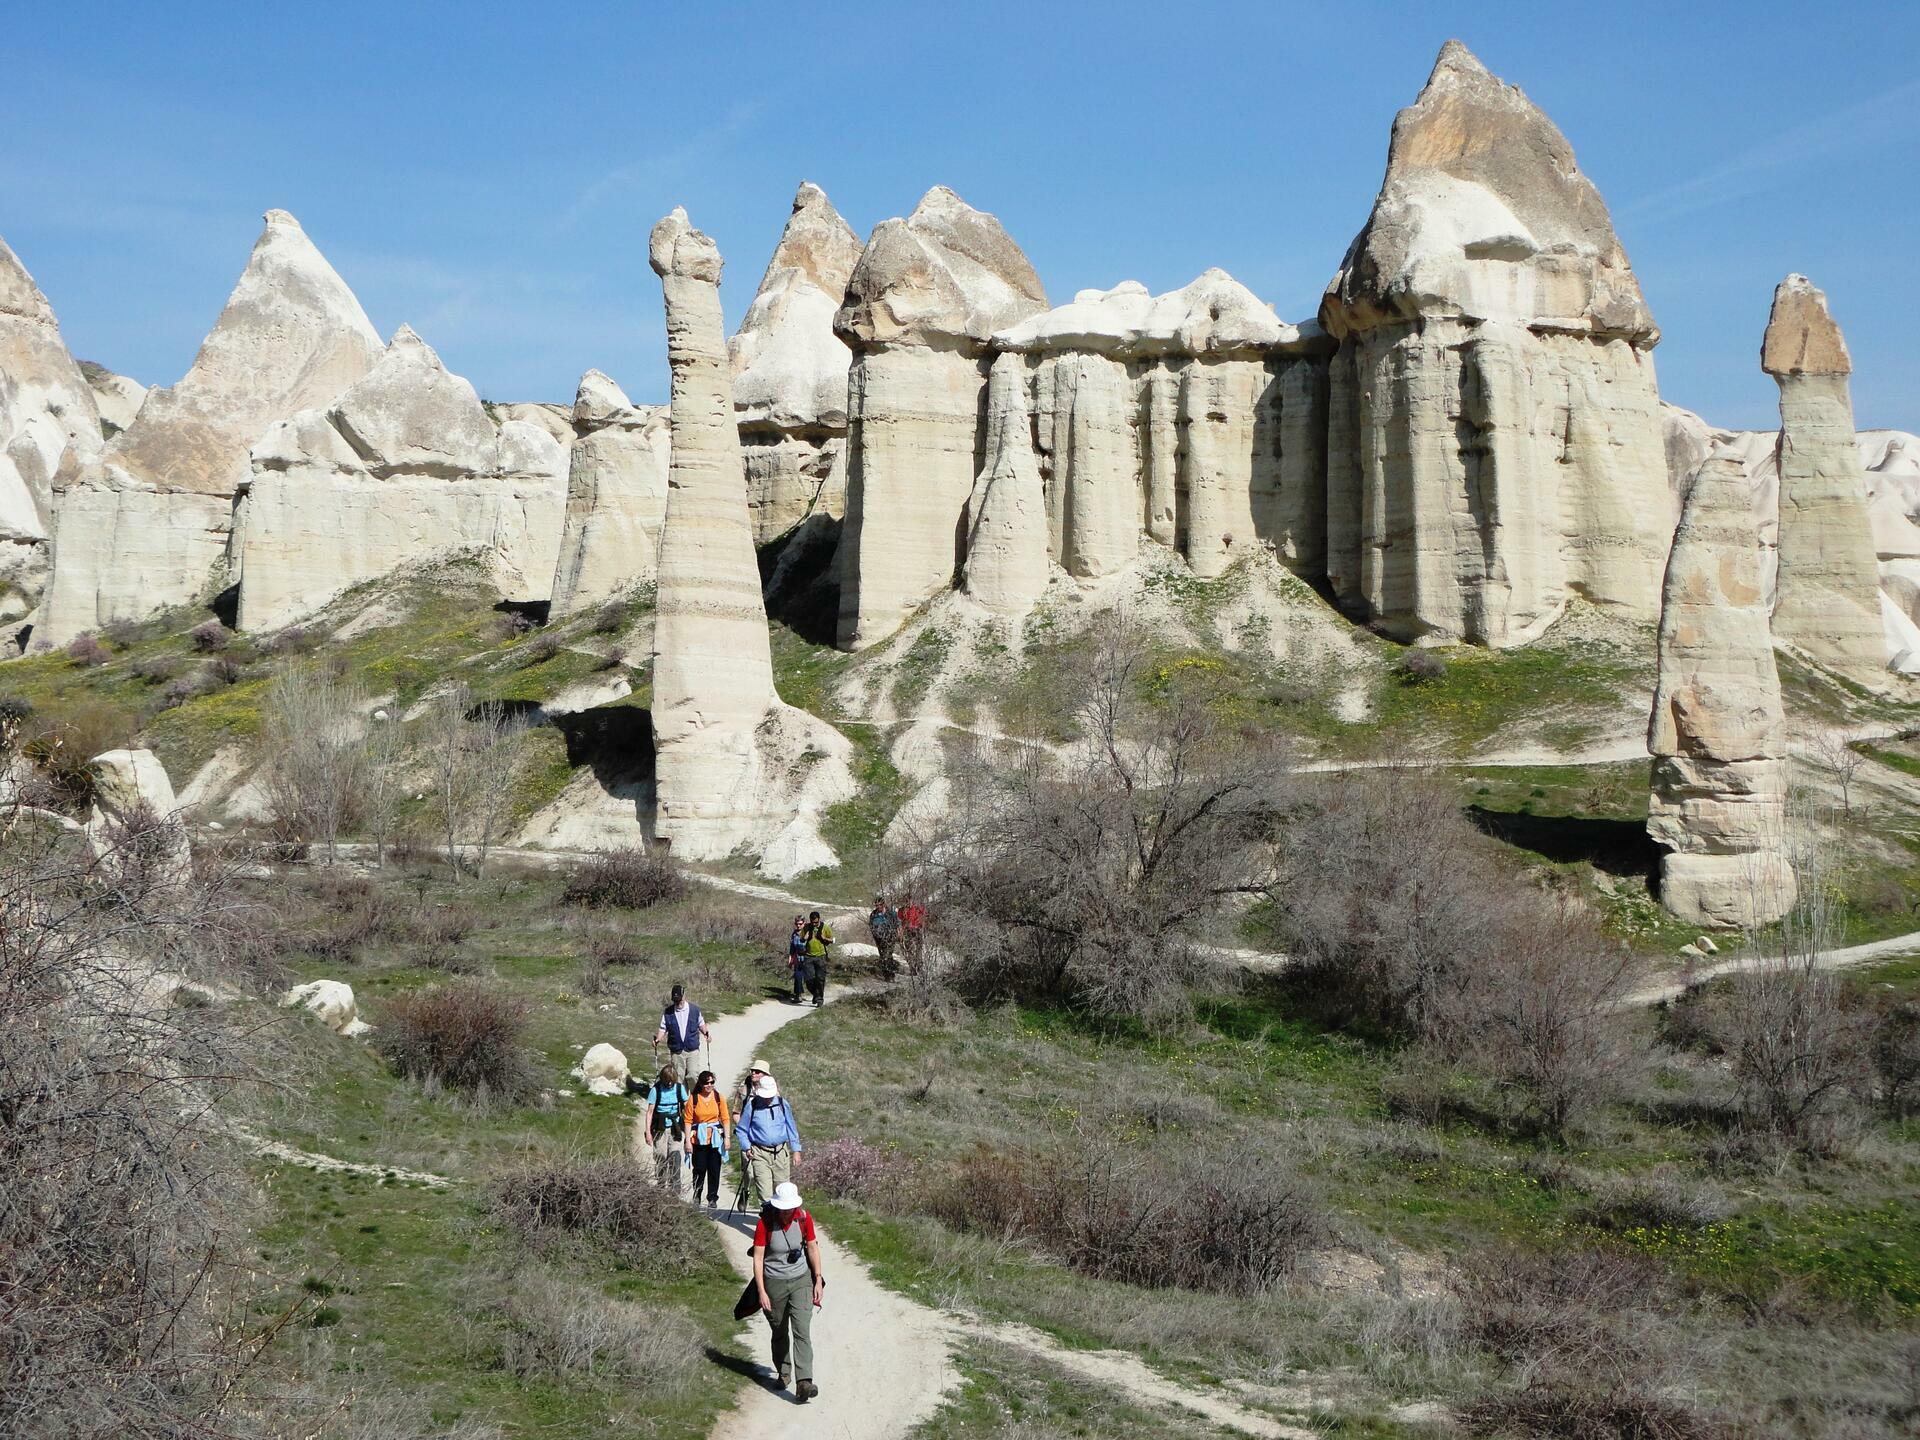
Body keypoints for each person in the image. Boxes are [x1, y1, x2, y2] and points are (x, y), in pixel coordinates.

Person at [752, 1180, 824, 1401]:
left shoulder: (803, 1218)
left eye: (789, 1209)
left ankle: (804, 1382)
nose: (786, 1213)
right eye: (783, 1210)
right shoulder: (765, 1223)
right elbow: (758, 1258)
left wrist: (817, 1279)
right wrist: (762, 1291)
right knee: (779, 1330)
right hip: (774, 1283)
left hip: (801, 1280)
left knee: (802, 1329)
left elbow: (812, 1247)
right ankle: (784, 1372)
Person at [738, 1071, 802, 1210]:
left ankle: (781, 1221)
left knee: (783, 1192)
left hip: (780, 1153)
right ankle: (768, 1221)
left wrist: (796, 1150)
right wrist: (747, 1147)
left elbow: (791, 1127)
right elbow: (741, 1130)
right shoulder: (752, 1105)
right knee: (765, 1194)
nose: (768, 1099)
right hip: (759, 1153)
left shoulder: (782, 1104)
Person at [640, 1065, 691, 1194]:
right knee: (661, 1157)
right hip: (659, 1129)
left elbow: (687, 1107)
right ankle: (661, 1187)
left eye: (672, 1081)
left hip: (675, 1128)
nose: (669, 1084)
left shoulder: (679, 1088)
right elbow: (650, 1112)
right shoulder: (656, 1090)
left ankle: (675, 1190)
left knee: (675, 1157)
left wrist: (690, 1125)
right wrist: (648, 1133)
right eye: (667, 1081)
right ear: (662, 1078)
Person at [686, 1069, 732, 1210]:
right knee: (699, 1169)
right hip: (698, 1140)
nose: (710, 1085)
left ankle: (712, 1198)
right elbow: (688, 1121)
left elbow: (725, 1118)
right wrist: (687, 1141)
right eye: (707, 1083)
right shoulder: (693, 1099)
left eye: (712, 1082)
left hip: (715, 1139)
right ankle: (697, 1195)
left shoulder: (718, 1098)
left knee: (714, 1169)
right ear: (700, 1084)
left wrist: (727, 1138)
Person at [653, 983, 709, 1076]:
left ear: (683, 996)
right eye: (675, 1001)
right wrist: (657, 1039)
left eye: (679, 1000)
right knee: (679, 1076)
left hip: (692, 1049)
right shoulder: (668, 1013)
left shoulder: (695, 1010)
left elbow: (701, 1024)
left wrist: (706, 1034)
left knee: (693, 1074)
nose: (678, 1003)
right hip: (676, 1050)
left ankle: (693, 1086)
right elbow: (663, 1028)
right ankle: (681, 1086)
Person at [802, 910, 833, 1006]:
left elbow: (832, 940)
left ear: (819, 919)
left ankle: (819, 999)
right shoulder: (806, 927)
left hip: (821, 956)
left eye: (816, 922)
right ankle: (816, 994)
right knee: (809, 979)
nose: (814, 924)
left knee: (820, 979)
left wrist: (824, 938)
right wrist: (804, 938)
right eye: (812, 922)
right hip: (808, 956)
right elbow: (801, 938)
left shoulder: (825, 927)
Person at [867, 896, 899, 979]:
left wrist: (898, 933)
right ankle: (887, 974)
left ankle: (890, 975)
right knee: (882, 956)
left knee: (887, 955)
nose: (878, 907)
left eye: (880, 905)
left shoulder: (891, 913)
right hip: (879, 938)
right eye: (876, 905)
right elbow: (871, 925)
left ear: (884, 904)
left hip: (890, 938)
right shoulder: (873, 914)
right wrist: (874, 934)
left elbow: (898, 924)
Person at [898, 896, 927, 969]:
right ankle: (912, 966)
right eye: (906, 901)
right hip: (908, 931)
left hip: (917, 930)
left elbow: (924, 913)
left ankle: (919, 965)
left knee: (919, 948)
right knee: (909, 949)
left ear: (912, 901)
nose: (908, 903)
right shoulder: (902, 910)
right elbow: (900, 918)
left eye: (909, 901)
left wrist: (921, 922)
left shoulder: (916, 908)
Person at [786, 916, 808, 1004]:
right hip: (798, 959)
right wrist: (790, 959)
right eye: (796, 924)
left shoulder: (808, 932)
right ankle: (798, 995)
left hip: (808, 959)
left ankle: (817, 995)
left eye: (800, 924)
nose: (798, 926)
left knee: (810, 978)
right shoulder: (794, 934)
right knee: (797, 977)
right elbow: (792, 948)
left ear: (804, 923)